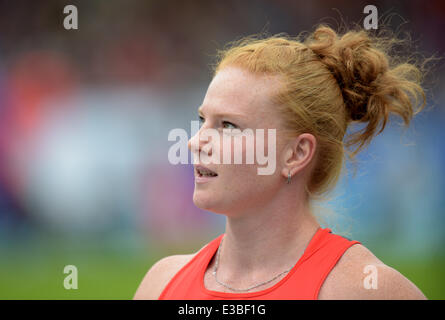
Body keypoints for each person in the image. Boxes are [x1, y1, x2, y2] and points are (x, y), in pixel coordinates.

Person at [134, 25, 428, 300]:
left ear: (296, 153)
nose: (195, 141)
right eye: (203, 120)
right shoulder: (161, 283)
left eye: (228, 126)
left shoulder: (365, 288)